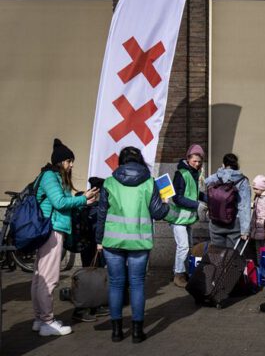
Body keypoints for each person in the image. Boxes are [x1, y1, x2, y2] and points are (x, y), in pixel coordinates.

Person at [94, 146, 169, 343]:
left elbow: (101, 213)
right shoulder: (150, 183)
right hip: (139, 241)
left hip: (112, 242)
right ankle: (137, 332)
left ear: (122, 161)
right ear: (139, 161)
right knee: (137, 284)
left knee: (116, 284)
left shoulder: (109, 182)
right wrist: (166, 202)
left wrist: (99, 239)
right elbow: (158, 213)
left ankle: (116, 332)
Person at [32, 138, 98, 337]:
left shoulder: (48, 176)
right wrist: (84, 199)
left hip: (47, 229)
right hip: (51, 229)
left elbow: (63, 201)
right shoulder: (50, 177)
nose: (72, 165)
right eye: (69, 161)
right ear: (60, 161)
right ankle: (47, 322)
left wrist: (82, 199)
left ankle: (39, 319)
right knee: (49, 279)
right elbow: (60, 203)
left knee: (39, 277)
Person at [166, 144, 207, 288]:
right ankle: (178, 275)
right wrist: (197, 205)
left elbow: (194, 193)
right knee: (183, 247)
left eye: (199, 161)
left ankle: (184, 272)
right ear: (188, 158)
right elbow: (177, 198)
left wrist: (207, 199)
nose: (197, 164)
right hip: (179, 217)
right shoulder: (182, 174)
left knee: (188, 246)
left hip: (187, 217)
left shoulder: (194, 173)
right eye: (194, 160)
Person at [70, 176, 108, 322]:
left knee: (94, 275)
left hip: (89, 244)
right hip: (90, 245)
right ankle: (81, 310)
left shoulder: (86, 202)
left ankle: (95, 305)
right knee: (89, 277)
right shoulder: (90, 204)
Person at [204, 153, 251, 248]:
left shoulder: (214, 178)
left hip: (215, 222)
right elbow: (244, 206)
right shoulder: (242, 180)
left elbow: (205, 184)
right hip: (234, 224)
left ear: (223, 164)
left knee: (217, 255)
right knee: (232, 257)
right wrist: (245, 230)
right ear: (236, 165)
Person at [248, 175, 265, 252]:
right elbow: (254, 215)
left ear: (262, 188)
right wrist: (251, 229)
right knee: (258, 250)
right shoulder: (257, 197)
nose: (254, 191)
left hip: (264, 230)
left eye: (256, 189)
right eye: (254, 189)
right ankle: (260, 264)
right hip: (257, 229)